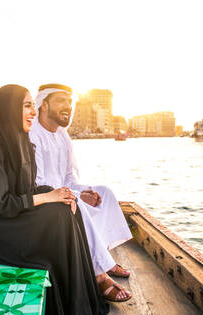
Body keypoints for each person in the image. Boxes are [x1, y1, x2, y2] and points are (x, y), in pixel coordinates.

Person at [0, 84, 109, 315]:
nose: (33, 112)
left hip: (8, 218)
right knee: (58, 217)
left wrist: (60, 195)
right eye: (27, 106)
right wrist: (47, 197)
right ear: (9, 110)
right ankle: (70, 313)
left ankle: (80, 307)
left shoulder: (23, 145)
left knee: (68, 208)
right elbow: (0, 205)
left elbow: (27, 190)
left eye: (33, 105)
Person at [29, 83, 133, 302]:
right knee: (74, 204)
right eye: (61, 101)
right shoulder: (33, 135)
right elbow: (38, 185)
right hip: (46, 202)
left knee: (104, 192)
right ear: (44, 105)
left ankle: (103, 257)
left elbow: (68, 178)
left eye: (70, 101)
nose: (68, 106)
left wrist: (84, 191)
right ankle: (98, 275)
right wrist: (77, 195)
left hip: (65, 192)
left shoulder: (62, 136)